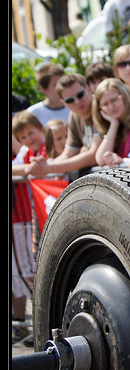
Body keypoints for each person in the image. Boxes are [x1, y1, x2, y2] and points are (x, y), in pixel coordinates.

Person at [24, 73, 103, 180]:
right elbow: (68, 153)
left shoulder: (100, 108)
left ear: (88, 89)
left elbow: (93, 156)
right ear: (63, 103)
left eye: (80, 95)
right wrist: (40, 166)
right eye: (70, 100)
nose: (77, 102)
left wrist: (48, 168)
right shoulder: (74, 116)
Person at [11, 111, 46, 323]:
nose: (28, 139)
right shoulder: (26, 151)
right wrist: (27, 169)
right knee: (27, 267)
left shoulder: (46, 146)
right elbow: (16, 167)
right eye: (22, 137)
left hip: (36, 214)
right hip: (32, 217)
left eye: (30, 133)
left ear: (39, 128)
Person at [92, 78, 130, 167]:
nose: (111, 106)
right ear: (100, 109)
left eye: (114, 100)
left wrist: (125, 162)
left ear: (125, 96)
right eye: (105, 104)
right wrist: (114, 124)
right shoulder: (117, 127)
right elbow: (101, 160)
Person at [27, 62, 70, 127]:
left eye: (64, 82)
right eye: (56, 85)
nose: (62, 87)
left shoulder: (76, 107)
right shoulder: (32, 115)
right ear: (44, 89)